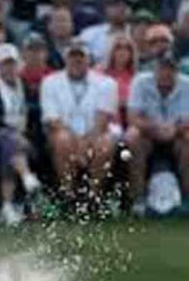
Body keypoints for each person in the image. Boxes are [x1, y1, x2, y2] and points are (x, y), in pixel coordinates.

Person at [40, 38, 118, 204]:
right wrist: (78, 143)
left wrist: (85, 143)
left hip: (95, 133)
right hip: (64, 133)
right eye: (72, 56)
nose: (76, 60)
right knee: (62, 139)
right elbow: (53, 120)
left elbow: (102, 121)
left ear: (88, 59)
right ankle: (68, 196)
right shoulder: (49, 82)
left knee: (106, 143)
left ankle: (93, 197)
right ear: (65, 59)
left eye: (81, 57)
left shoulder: (107, 83)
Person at [0, 43, 42, 225]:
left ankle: (7, 206)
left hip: (24, 141)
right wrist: (13, 133)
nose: (10, 68)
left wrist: (24, 136)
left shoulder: (27, 89)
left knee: (12, 148)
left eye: (12, 64)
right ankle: (26, 177)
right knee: (8, 142)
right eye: (5, 64)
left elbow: (35, 120)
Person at [125, 51, 189, 216]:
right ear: (155, 69)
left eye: (170, 69)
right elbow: (132, 117)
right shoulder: (140, 82)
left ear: (176, 71)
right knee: (132, 138)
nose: (166, 73)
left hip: (177, 134)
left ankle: (186, 199)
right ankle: (138, 199)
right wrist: (154, 128)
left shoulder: (186, 85)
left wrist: (175, 129)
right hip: (148, 133)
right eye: (162, 68)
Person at [79, 0, 134, 64]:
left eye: (126, 5)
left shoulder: (136, 34)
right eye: (116, 5)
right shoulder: (89, 34)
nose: (122, 8)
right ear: (106, 9)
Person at [98, 34, 137, 128]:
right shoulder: (99, 73)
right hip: (104, 120)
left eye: (127, 48)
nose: (123, 52)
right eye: (118, 48)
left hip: (129, 120)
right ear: (111, 51)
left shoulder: (136, 77)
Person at [20, 32, 54, 96]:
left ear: (46, 53)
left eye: (39, 49)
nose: (35, 53)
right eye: (31, 49)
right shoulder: (18, 78)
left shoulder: (54, 77)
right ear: (23, 53)